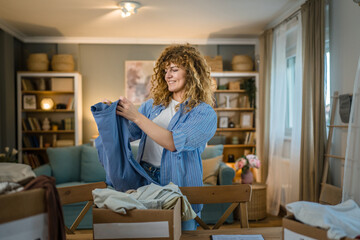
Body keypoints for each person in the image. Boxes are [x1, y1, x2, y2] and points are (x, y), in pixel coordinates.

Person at [105, 43, 217, 230]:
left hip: (179, 183)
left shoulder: (203, 113)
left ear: (191, 72)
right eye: (166, 70)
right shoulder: (152, 106)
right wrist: (111, 114)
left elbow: (173, 143)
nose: (168, 75)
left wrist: (137, 116)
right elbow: (128, 134)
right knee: (148, 232)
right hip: (146, 178)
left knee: (184, 231)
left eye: (174, 69)